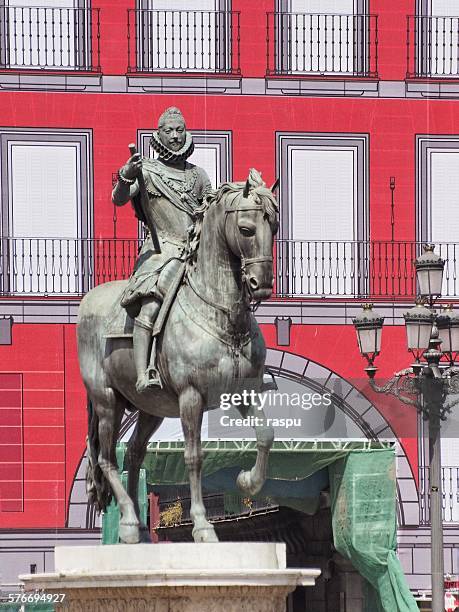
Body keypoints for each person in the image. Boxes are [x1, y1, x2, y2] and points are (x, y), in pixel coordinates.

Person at [112, 107, 212, 393]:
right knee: (152, 304)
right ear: (158, 135)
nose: (175, 136)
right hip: (162, 250)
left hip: (195, 251)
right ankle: (144, 372)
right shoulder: (147, 171)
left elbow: (211, 211)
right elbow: (118, 199)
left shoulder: (199, 176)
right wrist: (126, 176)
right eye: (168, 131)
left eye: (179, 130)